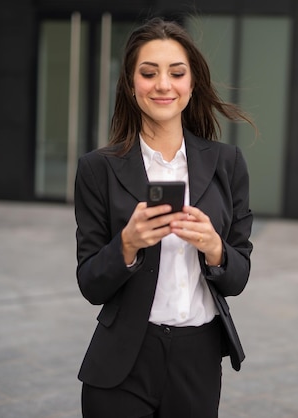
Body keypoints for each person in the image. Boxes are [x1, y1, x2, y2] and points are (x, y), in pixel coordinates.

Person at [74, 16, 255, 418]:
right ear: (130, 82)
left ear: (192, 83)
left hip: (198, 358)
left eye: (176, 73)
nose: (162, 85)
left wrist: (214, 248)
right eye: (148, 72)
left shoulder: (227, 163)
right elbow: (90, 283)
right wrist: (126, 244)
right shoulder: (97, 169)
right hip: (123, 359)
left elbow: (239, 276)